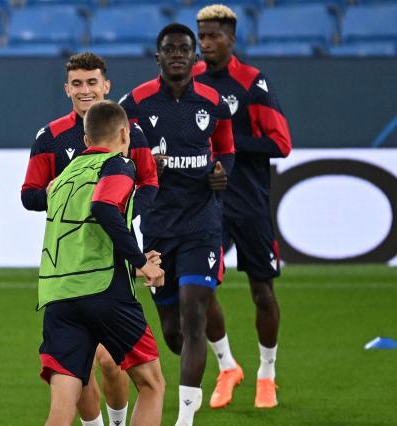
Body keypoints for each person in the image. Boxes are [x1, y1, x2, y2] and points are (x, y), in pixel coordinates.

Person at [21, 52, 159, 426]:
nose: (85, 90)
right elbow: (29, 196)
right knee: (132, 376)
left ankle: (114, 421)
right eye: (78, 83)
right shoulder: (50, 137)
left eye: (92, 82)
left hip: (63, 279)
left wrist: (125, 205)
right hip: (95, 268)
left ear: (106, 85)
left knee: (107, 364)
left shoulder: (132, 133)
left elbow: (149, 183)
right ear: (67, 88)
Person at [120, 24, 235, 426]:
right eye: (169, 49)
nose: (177, 55)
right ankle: (220, 363)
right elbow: (118, 155)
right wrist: (144, 164)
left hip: (201, 223)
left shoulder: (212, 101)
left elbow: (226, 151)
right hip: (156, 224)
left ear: (194, 57)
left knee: (194, 313)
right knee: (173, 332)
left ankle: (185, 419)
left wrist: (222, 173)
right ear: (158, 57)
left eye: (184, 49)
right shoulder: (134, 102)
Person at [193, 4, 292, 409]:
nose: (206, 44)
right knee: (199, 289)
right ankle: (227, 365)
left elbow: (281, 143)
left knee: (262, 293)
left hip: (248, 203)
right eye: (201, 37)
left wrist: (228, 143)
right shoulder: (190, 80)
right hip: (205, 203)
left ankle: (266, 373)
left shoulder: (251, 82)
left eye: (214, 36)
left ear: (231, 39)